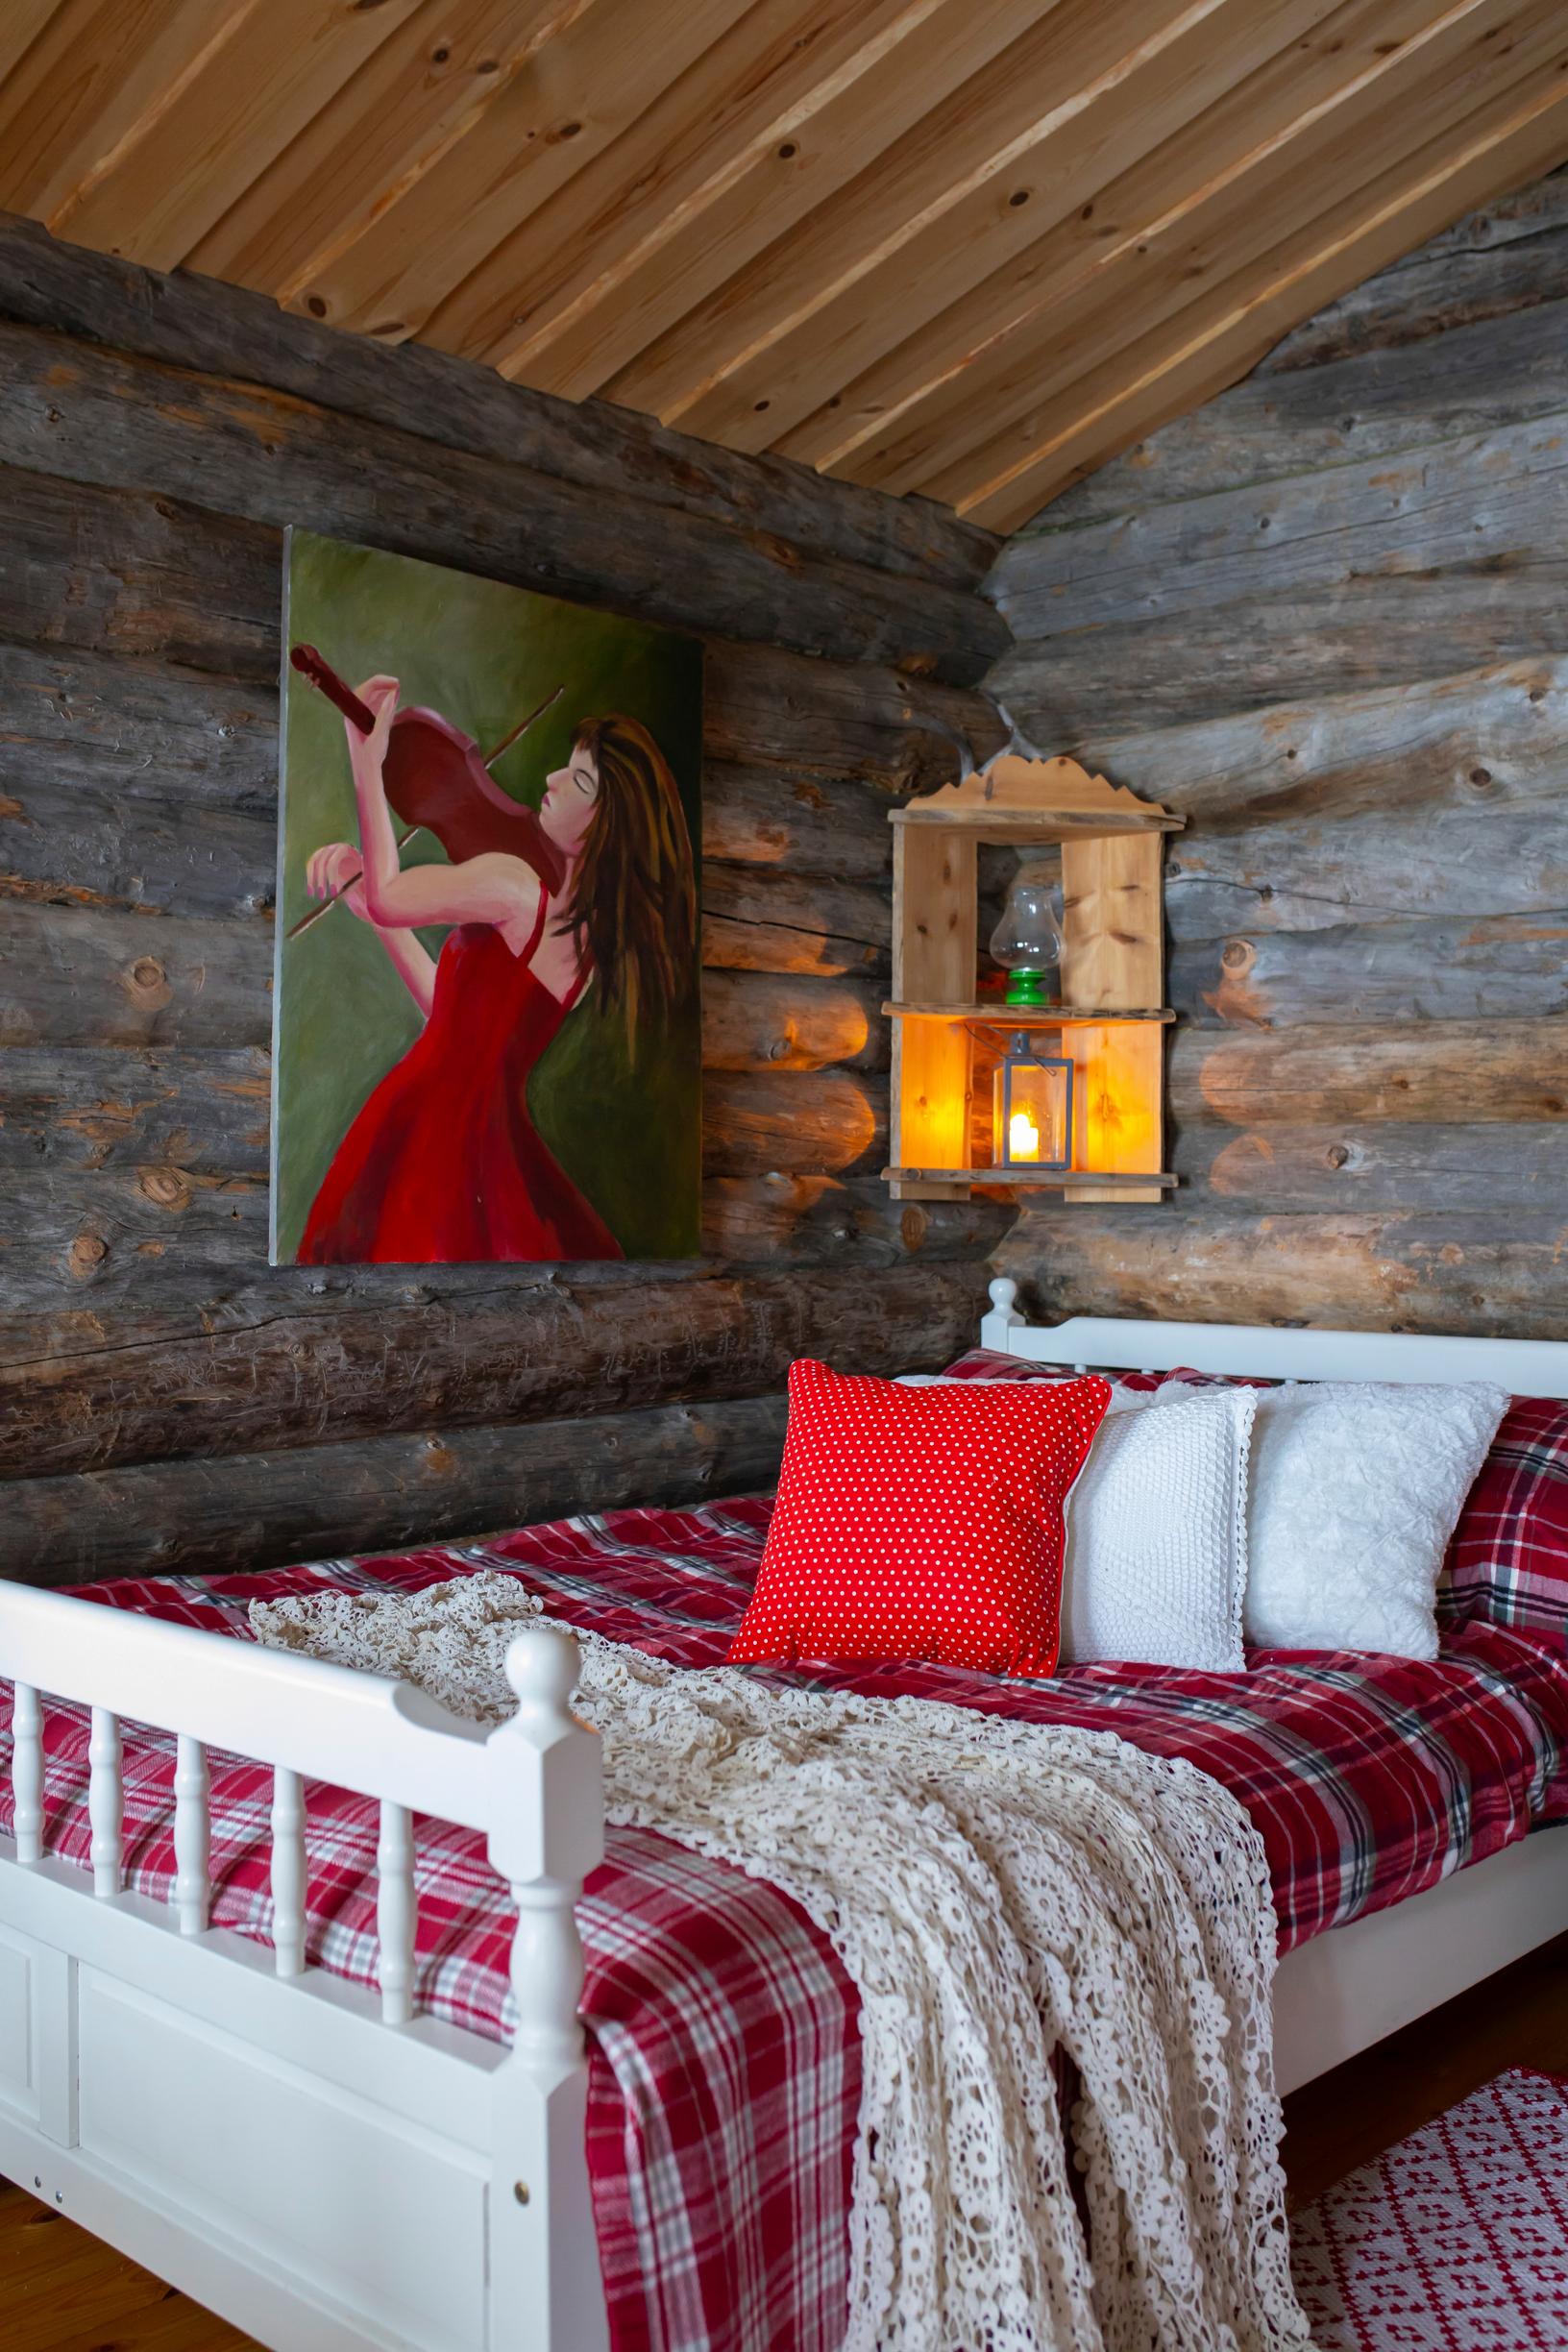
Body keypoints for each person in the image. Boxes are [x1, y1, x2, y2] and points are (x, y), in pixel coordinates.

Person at [297, 674, 695, 1263]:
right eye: (566, 766)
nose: (552, 781)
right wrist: (373, 908)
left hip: (428, 1126)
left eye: (580, 780)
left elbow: (390, 895)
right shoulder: (585, 944)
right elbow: (451, 1013)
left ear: (608, 825)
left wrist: (367, 759)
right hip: (483, 1139)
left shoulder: (516, 888)